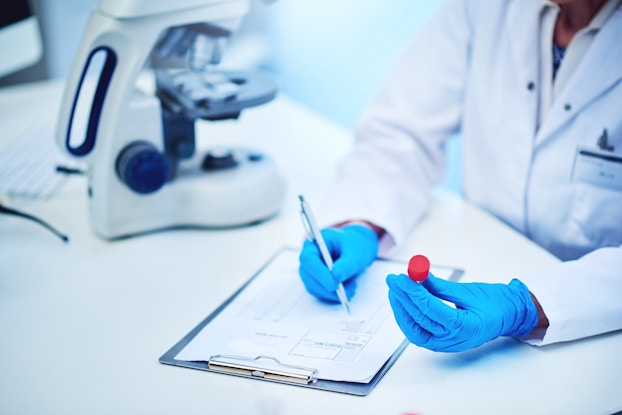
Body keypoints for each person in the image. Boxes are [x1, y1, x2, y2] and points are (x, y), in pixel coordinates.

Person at [298, 0, 622, 352]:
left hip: (598, 337)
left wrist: (530, 305)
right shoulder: (482, 7)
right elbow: (402, 130)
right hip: (479, 262)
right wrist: (360, 221)